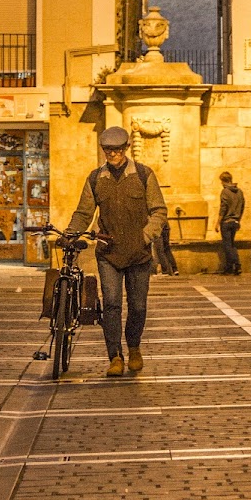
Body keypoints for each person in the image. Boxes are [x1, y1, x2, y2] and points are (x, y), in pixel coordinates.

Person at [67, 125, 167, 377]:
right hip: (108, 252)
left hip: (139, 253)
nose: (111, 155)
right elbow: (84, 212)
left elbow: (159, 211)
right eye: (107, 150)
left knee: (138, 306)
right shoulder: (95, 178)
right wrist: (71, 233)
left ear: (126, 149)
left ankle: (133, 347)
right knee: (111, 305)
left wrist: (146, 236)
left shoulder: (144, 175)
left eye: (116, 150)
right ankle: (115, 356)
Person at [215, 170, 245, 275]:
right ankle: (234, 266)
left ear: (224, 180)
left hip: (226, 222)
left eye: (221, 181)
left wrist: (217, 223)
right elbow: (242, 207)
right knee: (232, 244)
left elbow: (223, 208)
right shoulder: (240, 191)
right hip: (235, 221)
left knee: (227, 245)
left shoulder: (225, 192)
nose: (221, 183)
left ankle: (234, 265)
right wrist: (238, 219)